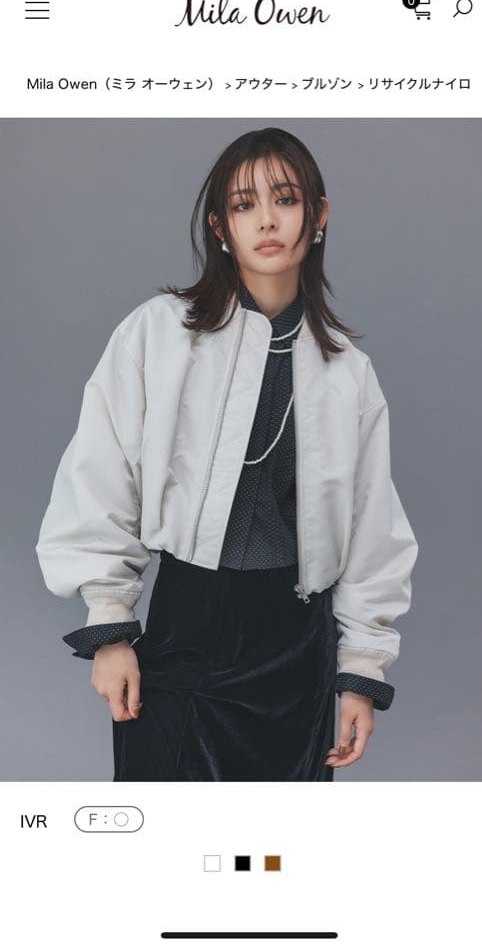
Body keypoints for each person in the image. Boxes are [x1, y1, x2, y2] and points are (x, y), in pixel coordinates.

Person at [35, 126, 419, 781]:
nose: (266, 220)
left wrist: (360, 671)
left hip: (294, 654)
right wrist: (110, 627)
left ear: (318, 215)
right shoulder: (159, 334)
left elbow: (370, 530)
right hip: (184, 631)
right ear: (219, 226)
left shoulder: (347, 374)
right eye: (244, 205)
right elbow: (100, 472)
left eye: (285, 199)